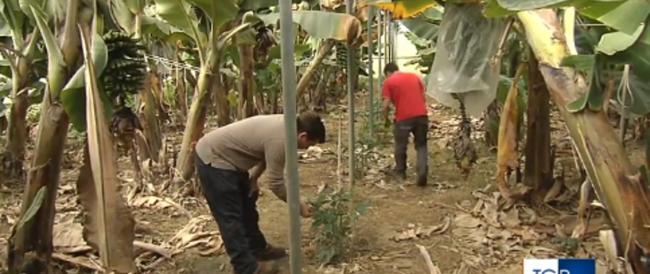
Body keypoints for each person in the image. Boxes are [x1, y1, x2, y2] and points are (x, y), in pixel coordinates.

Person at [194, 112, 326, 274]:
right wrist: (298, 204)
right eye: (310, 144)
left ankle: (257, 248)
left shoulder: (288, 125)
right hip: (214, 159)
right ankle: (246, 268)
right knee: (231, 219)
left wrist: (253, 178)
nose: (308, 148)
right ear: (303, 136)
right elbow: (276, 183)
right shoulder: (282, 140)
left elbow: (265, 153)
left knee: (247, 206)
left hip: (230, 158)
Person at [381, 62, 429, 186]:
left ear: (387, 73)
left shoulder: (389, 81)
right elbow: (423, 96)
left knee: (401, 145)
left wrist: (385, 118)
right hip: (421, 115)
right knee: (421, 145)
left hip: (403, 118)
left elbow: (386, 104)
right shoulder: (414, 77)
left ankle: (400, 172)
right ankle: (422, 171)